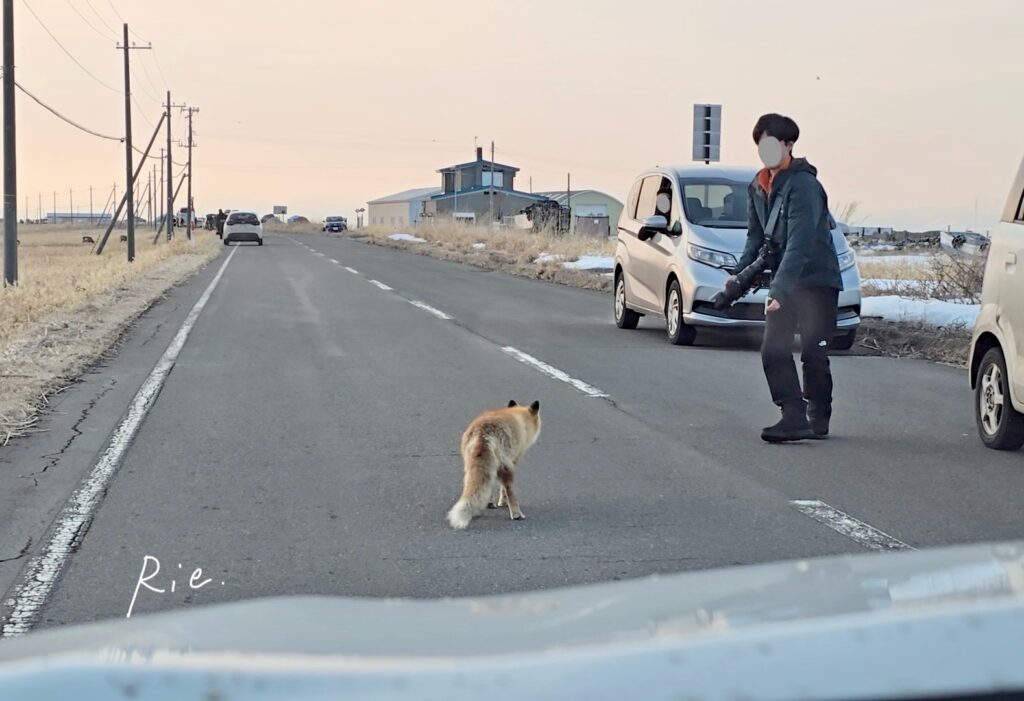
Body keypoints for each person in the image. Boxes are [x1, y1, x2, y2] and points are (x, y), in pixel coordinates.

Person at [731, 113, 843, 443]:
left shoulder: (804, 186)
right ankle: (793, 414)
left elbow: (800, 243)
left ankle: (818, 413)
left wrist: (778, 289)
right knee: (773, 349)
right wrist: (737, 275)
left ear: (789, 145)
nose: (764, 152)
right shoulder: (758, 186)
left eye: (771, 144)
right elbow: (755, 237)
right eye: (760, 145)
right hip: (784, 279)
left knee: (813, 353)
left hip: (816, 281)